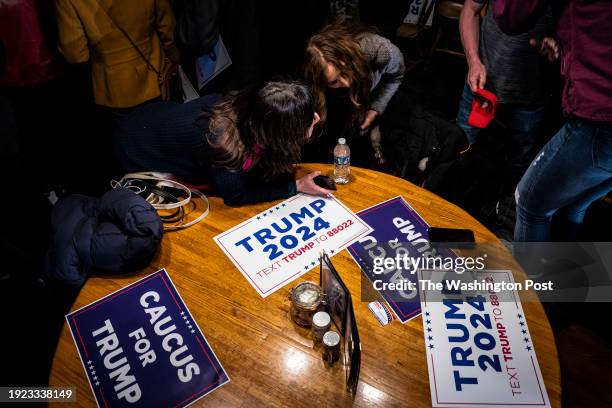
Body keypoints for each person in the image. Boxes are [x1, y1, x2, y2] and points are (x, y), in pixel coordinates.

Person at [492, 0, 612, 241]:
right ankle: (558, 269)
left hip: (601, 118)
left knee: (529, 204)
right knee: (574, 203)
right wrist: (568, 44)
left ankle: (531, 278)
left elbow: (510, 15)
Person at [116, 80, 333, 206]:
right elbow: (235, 196)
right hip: (137, 148)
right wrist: (296, 186)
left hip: (152, 117)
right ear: (278, 133)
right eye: (307, 124)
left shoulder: (253, 107)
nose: (314, 121)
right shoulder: (227, 145)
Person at [456, 0, 552, 187]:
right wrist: (473, 61)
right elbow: (470, 10)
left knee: (521, 156)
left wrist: (561, 51)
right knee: (461, 141)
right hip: (483, 83)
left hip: (532, 94)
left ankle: (505, 203)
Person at [303, 18, 405, 164]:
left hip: (367, 97)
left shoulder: (379, 51)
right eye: (334, 81)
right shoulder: (314, 81)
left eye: (345, 71)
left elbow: (396, 77)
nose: (346, 82)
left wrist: (376, 107)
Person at [55, 0, 179, 110]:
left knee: (127, 134)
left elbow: (76, 55)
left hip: (114, 90)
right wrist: (172, 56)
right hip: (154, 75)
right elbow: (167, 27)